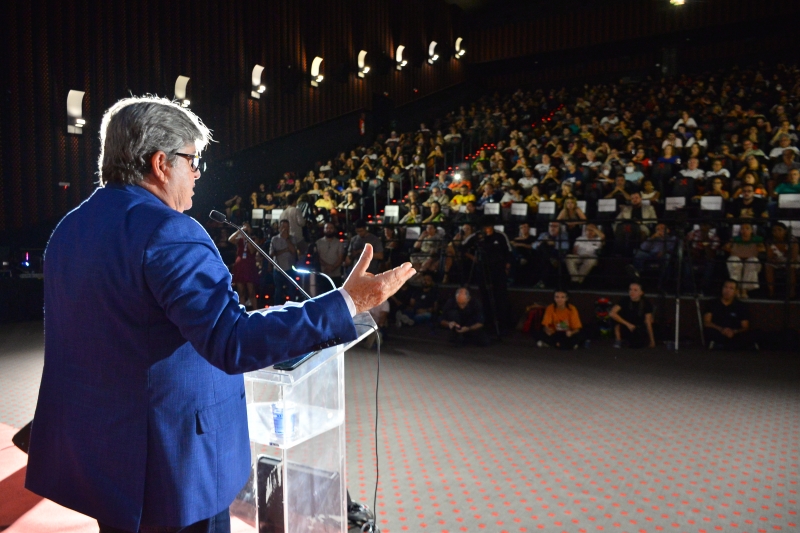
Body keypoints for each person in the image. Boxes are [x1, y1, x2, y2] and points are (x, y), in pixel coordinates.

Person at [25, 96, 415, 533]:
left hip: (104, 457)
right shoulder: (169, 231)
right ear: (160, 163)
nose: (196, 174)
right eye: (192, 161)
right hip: (173, 467)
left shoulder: (71, 228)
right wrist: (348, 303)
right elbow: (233, 342)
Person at [703, 279, 756, 350]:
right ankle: (733, 346)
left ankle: (722, 346)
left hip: (734, 333)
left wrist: (734, 331)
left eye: (731, 288)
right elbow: (707, 322)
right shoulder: (712, 303)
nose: (727, 290)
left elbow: (745, 326)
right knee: (709, 331)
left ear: (736, 291)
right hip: (718, 331)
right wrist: (722, 329)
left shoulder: (741, 306)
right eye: (725, 287)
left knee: (752, 334)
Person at [723, 222, 765, 298]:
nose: (744, 230)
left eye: (747, 228)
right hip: (737, 259)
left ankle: (744, 289)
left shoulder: (757, 239)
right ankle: (736, 289)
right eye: (742, 228)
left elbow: (762, 250)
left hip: (750, 260)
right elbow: (726, 248)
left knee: (752, 261)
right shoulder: (735, 239)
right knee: (734, 260)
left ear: (751, 230)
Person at [609, 282, 656, 348]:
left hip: (636, 327)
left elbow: (648, 322)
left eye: (635, 290)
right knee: (614, 318)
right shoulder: (624, 300)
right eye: (630, 289)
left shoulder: (646, 303)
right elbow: (612, 313)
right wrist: (628, 324)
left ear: (641, 293)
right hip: (625, 325)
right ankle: (618, 340)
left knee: (637, 344)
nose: (632, 292)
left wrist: (652, 340)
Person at [228, 222, 259, 309]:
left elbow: (252, 251)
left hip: (249, 266)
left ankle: (255, 309)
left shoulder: (254, 239)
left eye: (247, 226)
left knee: (251, 291)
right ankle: (242, 310)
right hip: (240, 266)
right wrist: (240, 231)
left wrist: (247, 238)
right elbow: (230, 239)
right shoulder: (239, 239)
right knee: (241, 291)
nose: (246, 228)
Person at [765, 222, 798, 299]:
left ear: (785, 231)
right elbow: (769, 256)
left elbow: (794, 256)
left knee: (791, 265)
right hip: (776, 261)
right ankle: (771, 291)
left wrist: (787, 259)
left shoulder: (792, 240)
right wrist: (775, 260)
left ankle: (792, 291)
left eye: (779, 230)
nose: (777, 232)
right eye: (774, 230)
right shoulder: (770, 241)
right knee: (768, 265)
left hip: (790, 260)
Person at [315, 222, 345, 288]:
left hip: (336, 275)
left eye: (331, 228)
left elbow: (340, 258)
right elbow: (317, 257)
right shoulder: (318, 243)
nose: (329, 230)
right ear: (324, 229)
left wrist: (333, 267)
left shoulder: (339, 243)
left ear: (334, 229)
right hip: (323, 274)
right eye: (327, 228)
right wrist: (327, 266)